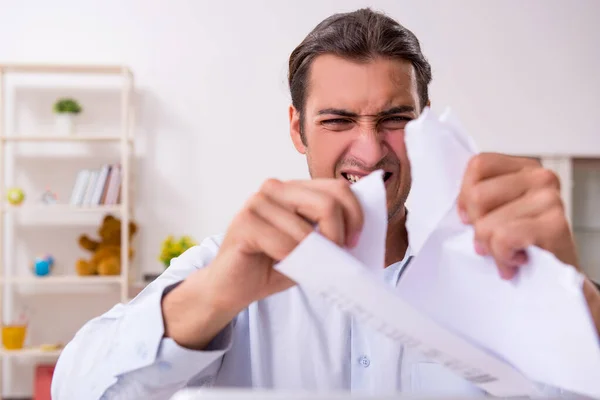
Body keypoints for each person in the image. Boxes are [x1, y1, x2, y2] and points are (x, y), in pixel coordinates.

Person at [51, 8, 600, 400]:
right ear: (298, 129)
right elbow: (76, 388)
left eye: (395, 119)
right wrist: (213, 296)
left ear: (426, 123)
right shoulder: (223, 271)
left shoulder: (493, 274)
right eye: (338, 120)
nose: (368, 148)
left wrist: (571, 298)